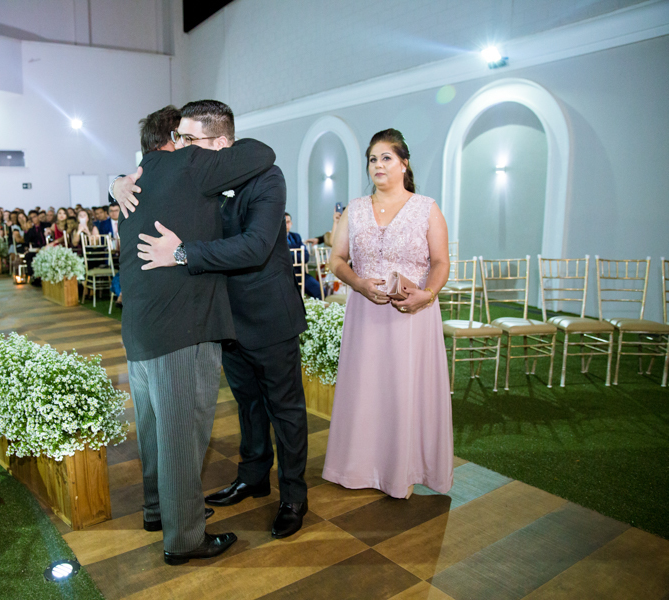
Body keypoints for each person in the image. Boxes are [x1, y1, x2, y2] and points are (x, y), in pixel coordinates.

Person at [115, 99, 310, 539]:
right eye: (178, 138)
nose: (180, 146)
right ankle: (253, 476)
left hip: (267, 313)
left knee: (287, 410)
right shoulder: (193, 175)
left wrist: (183, 253)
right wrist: (117, 183)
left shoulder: (265, 178)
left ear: (220, 144)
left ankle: (294, 496)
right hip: (221, 318)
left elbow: (256, 246)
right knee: (247, 404)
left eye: (188, 139)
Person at [323, 128, 452, 499]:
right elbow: (336, 259)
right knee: (366, 388)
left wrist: (426, 295)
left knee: (405, 390)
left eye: (386, 158)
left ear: (404, 163)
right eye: (372, 159)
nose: (377, 165)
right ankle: (359, 467)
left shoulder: (427, 208)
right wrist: (359, 283)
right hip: (366, 313)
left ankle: (404, 470)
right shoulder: (356, 209)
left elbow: (442, 262)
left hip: (413, 316)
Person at [285, 213, 322, 299]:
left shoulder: (296, 237)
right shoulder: (276, 239)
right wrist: (298, 255)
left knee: (320, 291)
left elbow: (305, 257)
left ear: (291, 223)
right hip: (285, 275)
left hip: (300, 274)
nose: (285, 225)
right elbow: (282, 257)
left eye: (287, 222)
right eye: (283, 222)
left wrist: (291, 254)